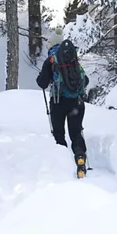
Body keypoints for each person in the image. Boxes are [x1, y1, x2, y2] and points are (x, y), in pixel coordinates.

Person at [36, 36, 90, 178]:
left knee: (59, 134)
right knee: (76, 132)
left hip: (58, 102)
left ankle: (62, 167)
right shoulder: (72, 57)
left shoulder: (52, 60)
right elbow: (86, 80)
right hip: (76, 103)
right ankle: (80, 157)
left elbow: (42, 83)